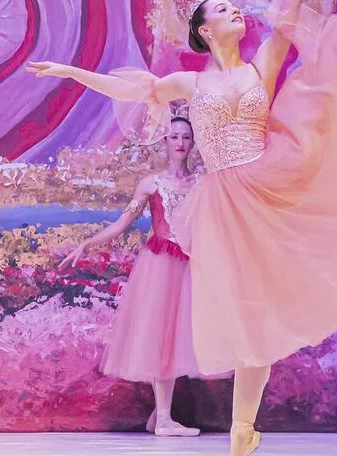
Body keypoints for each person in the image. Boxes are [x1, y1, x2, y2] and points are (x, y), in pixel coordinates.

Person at [27, 0, 337, 456]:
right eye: (222, 9)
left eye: (234, 8)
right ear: (204, 29)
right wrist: (70, 71)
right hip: (223, 203)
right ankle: (242, 430)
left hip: (271, 181)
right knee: (246, 317)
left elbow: (289, 7)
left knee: (332, 72)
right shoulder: (191, 85)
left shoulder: (262, 66)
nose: (234, 11)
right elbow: (135, 89)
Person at [60, 117, 210, 437]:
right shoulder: (150, 184)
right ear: (165, 142)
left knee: (181, 338)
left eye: (186, 137)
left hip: (191, 265)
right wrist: (87, 243)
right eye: (174, 136)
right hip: (161, 267)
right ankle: (165, 419)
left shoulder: (202, 182)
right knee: (162, 337)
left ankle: (160, 416)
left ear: (193, 142)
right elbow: (121, 223)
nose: (180, 142)